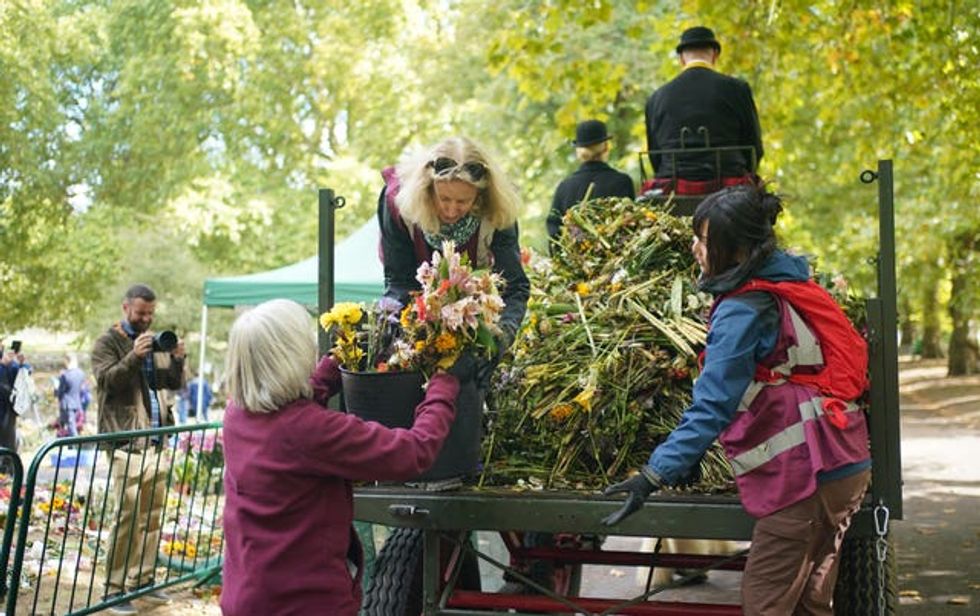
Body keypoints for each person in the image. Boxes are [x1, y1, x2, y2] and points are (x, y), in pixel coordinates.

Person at [602, 185, 872, 615]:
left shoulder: (744, 307)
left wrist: (654, 475)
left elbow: (714, 402)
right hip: (843, 466)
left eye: (705, 240)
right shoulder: (790, 282)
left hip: (807, 476)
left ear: (737, 249)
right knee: (809, 604)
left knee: (766, 605)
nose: (694, 247)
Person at [220, 299, 467, 615]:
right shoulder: (311, 430)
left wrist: (336, 364)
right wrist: (443, 387)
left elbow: (285, 408)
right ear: (291, 355)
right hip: (305, 603)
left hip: (248, 595)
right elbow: (413, 452)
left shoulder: (237, 416)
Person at [377, 136, 530, 387]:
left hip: (474, 314)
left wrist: (500, 338)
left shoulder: (498, 209)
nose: (451, 210)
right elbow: (399, 282)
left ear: (480, 196)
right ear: (428, 187)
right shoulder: (398, 201)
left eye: (463, 202)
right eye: (444, 199)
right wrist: (396, 333)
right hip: (419, 312)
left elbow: (515, 287)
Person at [91, 284, 185, 614]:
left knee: (153, 516)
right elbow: (107, 381)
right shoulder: (108, 342)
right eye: (140, 313)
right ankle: (114, 590)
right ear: (125, 308)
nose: (146, 319)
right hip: (126, 441)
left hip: (156, 440)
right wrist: (134, 356)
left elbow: (171, 384)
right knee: (127, 517)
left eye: (150, 313)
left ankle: (143, 580)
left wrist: (177, 359)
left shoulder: (154, 340)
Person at [644, 26, 764, 195]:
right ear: (715, 55)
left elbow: (655, 154)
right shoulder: (738, 90)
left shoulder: (656, 98)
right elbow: (753, 144)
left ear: (681, 59)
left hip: (673, 187)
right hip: (730, 186)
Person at [547, 119, 635, 249]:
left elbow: (554, 233)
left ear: (579, 152)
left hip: (574, 264)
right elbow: (630, 226)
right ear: (606, 147)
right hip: (616, 261)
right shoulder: (622, 182)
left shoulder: (565, 187)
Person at [56, 355, 87, 437]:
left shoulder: (65, 375)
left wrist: (56, 392)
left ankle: (74, 445)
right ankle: (71, 445)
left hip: (67, 404)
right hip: (77, 402)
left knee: (70, 427)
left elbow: (60, 392)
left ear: (67, 361)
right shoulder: (81, 373)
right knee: (73, 426)